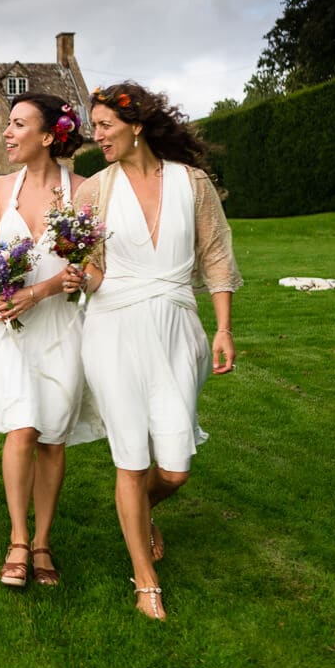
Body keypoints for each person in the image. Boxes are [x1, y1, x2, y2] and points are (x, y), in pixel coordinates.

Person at [68, 81, 242, 620]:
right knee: (130, 455)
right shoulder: (92, 191)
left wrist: (223, 328)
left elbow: (215, 256)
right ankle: (145, 582)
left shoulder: (192, 184)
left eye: (104, 127)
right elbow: (94, 272)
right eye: (93, 127)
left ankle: (140, 511)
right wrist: (81, 275)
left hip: (177, 330)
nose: (95, 137)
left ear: (136, 125)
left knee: (174, 468)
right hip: (112, 328)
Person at [0, 93, 86, 589]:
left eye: (17, 125)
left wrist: (44, 289)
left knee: (52, 435)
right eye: (7, 124)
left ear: (49, 135)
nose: (7, 134)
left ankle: (43, 543)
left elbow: (89, 264)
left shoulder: (84, 190)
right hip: (8, 326)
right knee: (22, 426)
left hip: (60, 324)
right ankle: (17, 538)